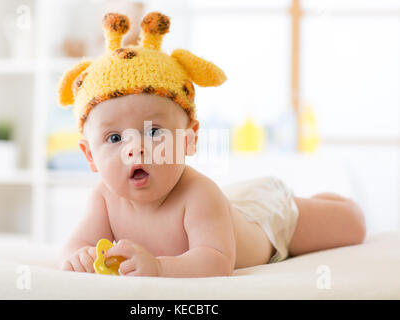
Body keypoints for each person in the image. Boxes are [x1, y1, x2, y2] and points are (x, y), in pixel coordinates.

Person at [57, 12, 366, 277]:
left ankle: (319, 201)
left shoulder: (199, 194)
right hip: (233, 204)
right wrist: (78, 257)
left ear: (189, 139)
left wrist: (160, 268)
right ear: (90, 155)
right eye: (114, 138)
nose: (135, 148)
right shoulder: (103, 199)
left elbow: (216, 260)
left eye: (154, 132)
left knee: (352, 225)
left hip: (267, 222)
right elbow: (75, 245)